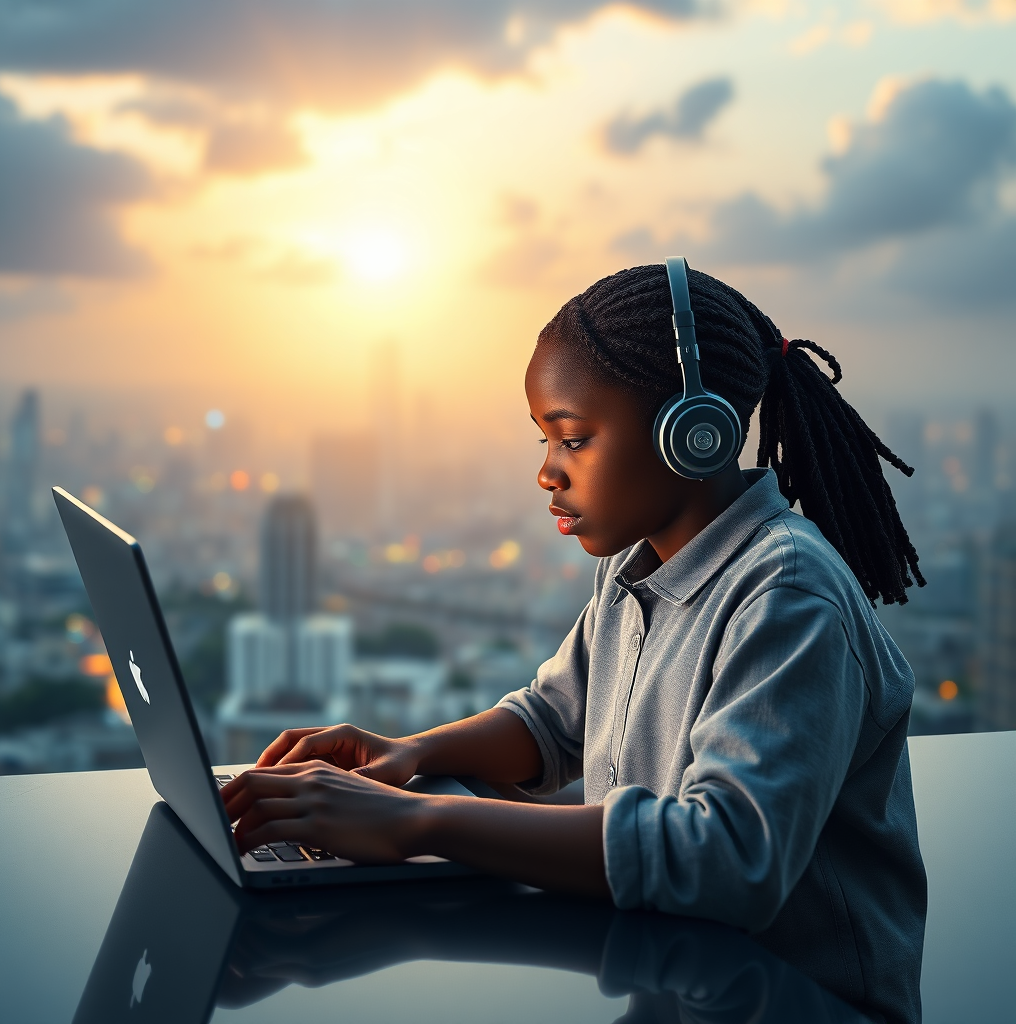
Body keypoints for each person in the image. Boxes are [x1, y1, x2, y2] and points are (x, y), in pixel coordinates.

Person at [221, 263, 927, 1024]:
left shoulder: (787, 597)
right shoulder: (636, 568)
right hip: (676, 979)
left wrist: (415, 823)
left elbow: (730, 859)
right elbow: (551, 723)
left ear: (694, 433)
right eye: (546, 440)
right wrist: (413, 754)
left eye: (574, 438)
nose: (547, 473)